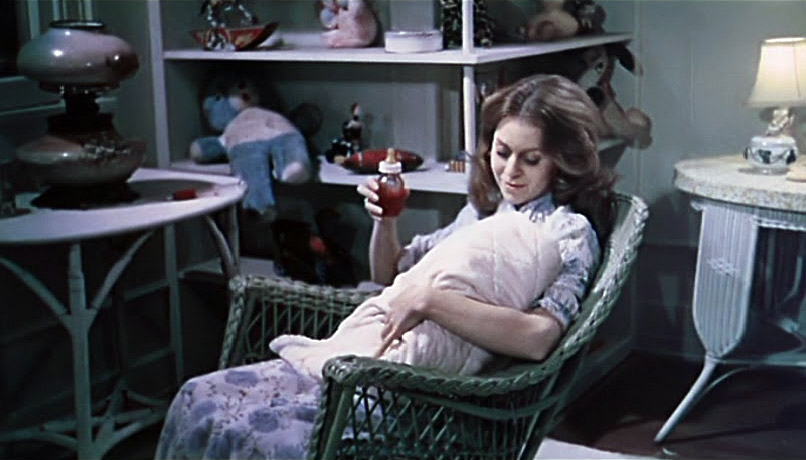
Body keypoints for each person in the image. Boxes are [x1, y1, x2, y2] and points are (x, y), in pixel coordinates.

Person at [153, 73, 615, 460]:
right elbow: (390, 273)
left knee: (240, 427)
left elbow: (538, 338)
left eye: (531, 159)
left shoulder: (566, 233)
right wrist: (386, 221)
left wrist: (431, 301)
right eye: (501, 151)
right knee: (198, 396)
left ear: (563, 162)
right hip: (384, 357)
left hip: (436, 395)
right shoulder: (485, 211)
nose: (510, 171)